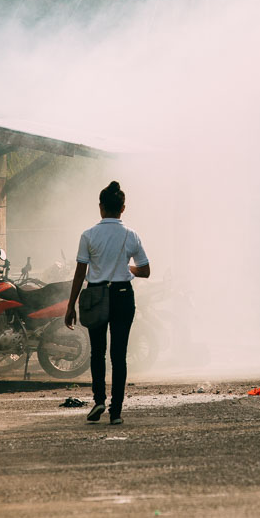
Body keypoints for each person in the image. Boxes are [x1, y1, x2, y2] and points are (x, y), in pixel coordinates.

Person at [64, 181, 150, 426]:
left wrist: (71, 306)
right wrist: (126, 267)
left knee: (97, 352)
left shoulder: (88, 235)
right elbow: (145, 270)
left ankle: (99, 399)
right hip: (123, 295)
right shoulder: (131, 235)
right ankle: (116, 412)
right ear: (123, 208)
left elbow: (80, 272)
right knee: (119, 355)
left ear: (101, 207)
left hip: (96, 296)